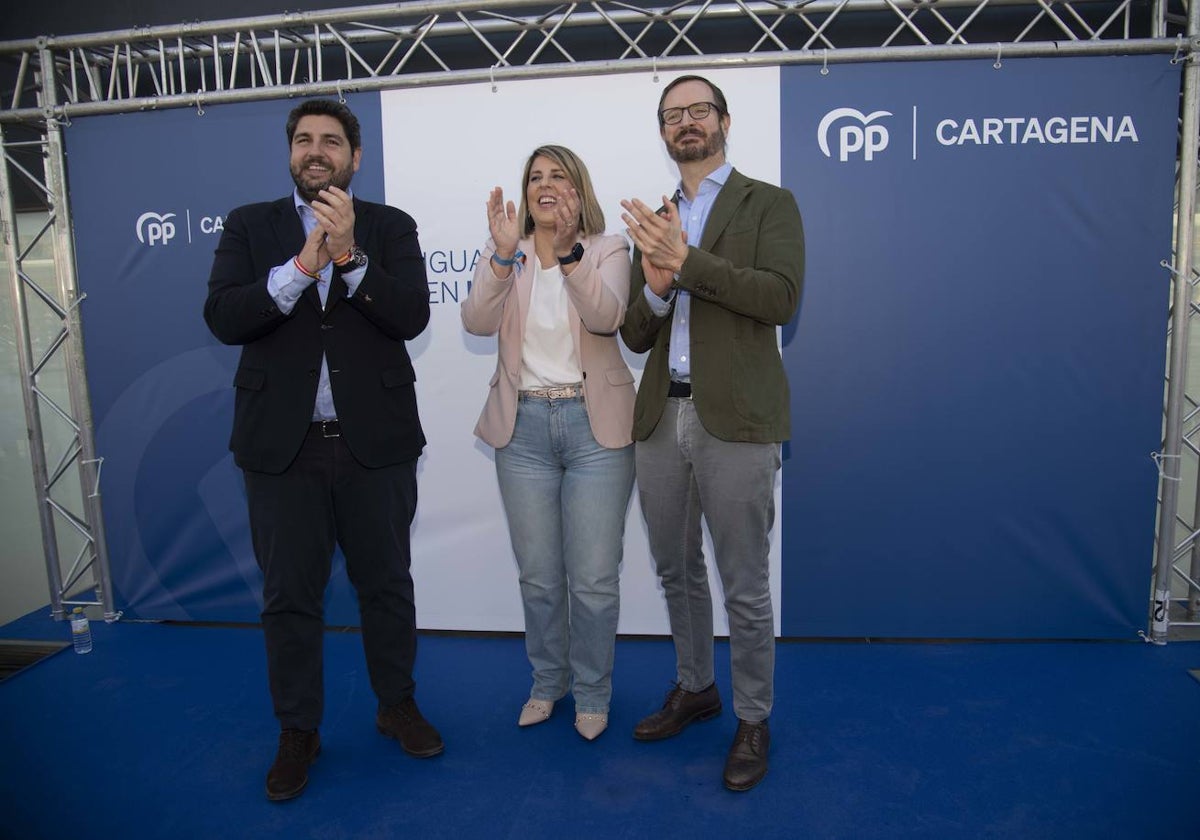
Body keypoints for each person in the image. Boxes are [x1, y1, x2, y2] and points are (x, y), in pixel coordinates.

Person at [203, 98, 442, 802]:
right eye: (304, 140)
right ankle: (298, 730)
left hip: (377, 445)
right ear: (289, 153)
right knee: (289, 599)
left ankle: (396, 704)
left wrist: (350, 256)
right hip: (283, 450)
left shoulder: (389, 226)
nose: (317, 151)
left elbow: (411, 313)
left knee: (387, 586)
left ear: (354, 157)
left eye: (331, 141)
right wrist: (304, 266)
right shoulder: (252, 225)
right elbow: (225, 315)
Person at [619, 75, 805, 791]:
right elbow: (637, 331)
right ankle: (696, 687)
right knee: (676, 569)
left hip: (738, 420)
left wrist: (686, 260)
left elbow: (780, 298)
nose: (687, 123)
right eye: (674, 115)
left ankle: (753, 718)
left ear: (723, 121)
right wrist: (659, 281)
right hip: (662, 416)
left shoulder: (770, 203)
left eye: (699, 110)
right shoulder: (659, 215)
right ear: (664, 132)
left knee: (744, 583)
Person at [462, 144, 636, 741]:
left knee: (591, 578)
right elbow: (476, 322)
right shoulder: (504, 255)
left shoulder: (607, 247)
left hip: (595, 430)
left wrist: (567, 253)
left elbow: (607, 316)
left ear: (577, 187)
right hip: (525, 429)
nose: (544, 184)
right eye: (535, 176)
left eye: (557, 175)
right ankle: (547, 682)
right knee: (538, 576)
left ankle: (592, 691)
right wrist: (506, 255)